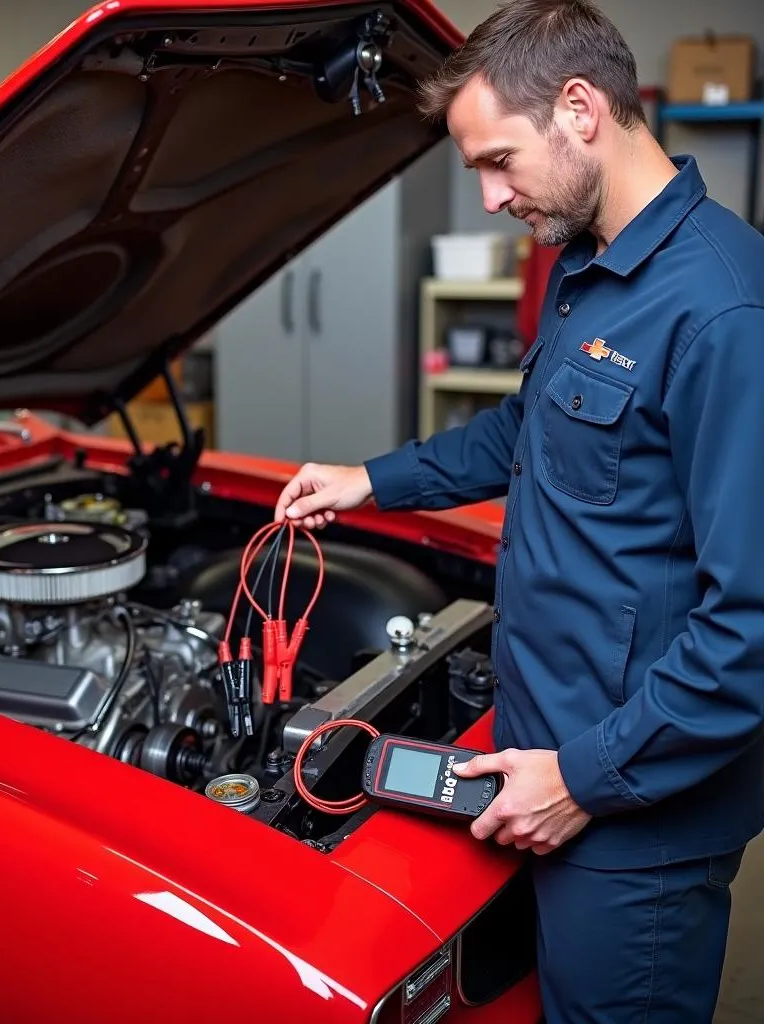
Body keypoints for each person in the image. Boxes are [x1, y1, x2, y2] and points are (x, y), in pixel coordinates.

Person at [273, 1, 764, 1021]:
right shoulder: (593, 266)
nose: (492, 196)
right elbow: (526, 435)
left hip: (632, 818)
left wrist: (580, 779)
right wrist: (371, 478)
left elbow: (749, 627)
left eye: (498, 161)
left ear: (579, 110)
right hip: (545, 750)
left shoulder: (721, 311)